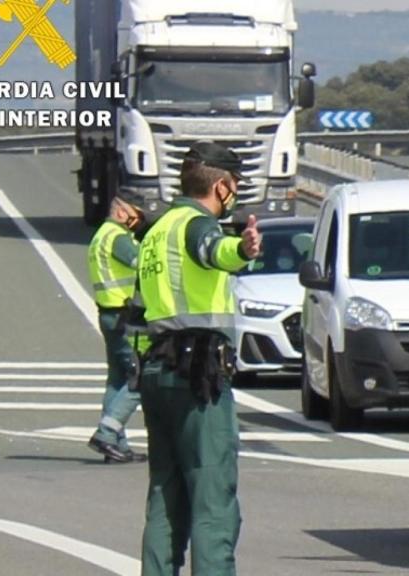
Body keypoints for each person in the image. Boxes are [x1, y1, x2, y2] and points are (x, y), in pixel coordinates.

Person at [136, 141, 261, 576]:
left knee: (166, 497)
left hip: (157, 370)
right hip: (198, 374)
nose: (237, 192)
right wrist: (242, 250)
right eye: (236, 184)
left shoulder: (156, 231)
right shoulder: (195, 224)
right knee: (213, 499)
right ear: (222, 185)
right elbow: (214, 250)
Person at [86, 196, 146, 463]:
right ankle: (107, 434)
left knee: (118, 379)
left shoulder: (101, 235)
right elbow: (142, 264)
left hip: (108, 313)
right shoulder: (117, 237)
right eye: (136, 213)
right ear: (121, 211)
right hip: (124, 315)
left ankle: (116, 444)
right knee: (139, 376)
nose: (139, 219)